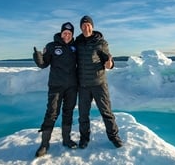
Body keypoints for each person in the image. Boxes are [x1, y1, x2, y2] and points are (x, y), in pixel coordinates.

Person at [75, 15, 123, 149]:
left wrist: (110, 64)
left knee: (106, 112)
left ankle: (114, 137)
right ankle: (84, 138)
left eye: (88, 25)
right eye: (83, 25)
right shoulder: (77, 42)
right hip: (83, 85)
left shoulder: (101, 42)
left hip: (99, 84)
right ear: (81, 27)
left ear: (92, 26)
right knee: (83, 115)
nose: (86, 27)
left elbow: (109, 62)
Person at [33, 22, 78, 157]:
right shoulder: (51, 46)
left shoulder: (75, 47)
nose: (67, 35)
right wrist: (38, 57)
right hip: (56, 86)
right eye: (65, 33)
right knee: (51, 113)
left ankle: (66, 139)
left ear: (72, 35)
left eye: (69, 33)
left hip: (72, 86)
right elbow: (43, 64)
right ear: (61, 33)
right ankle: (44, 144)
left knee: (68, 112)